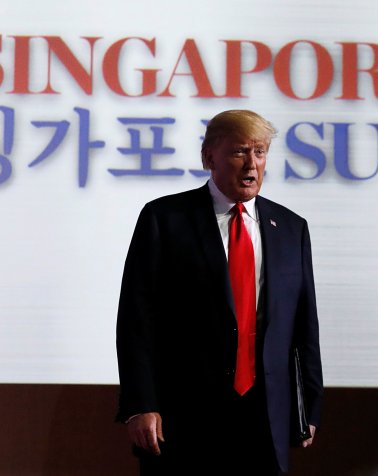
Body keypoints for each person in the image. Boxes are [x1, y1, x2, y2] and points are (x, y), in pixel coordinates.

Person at [115, 109, 323, 475]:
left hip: (266, 413)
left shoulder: (291, 228)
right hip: (184, 414)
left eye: (260, 153)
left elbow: (304, 326)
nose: (252, 164)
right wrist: (140, 403)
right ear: (209, 157)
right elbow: (136, 320)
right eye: (240, 151)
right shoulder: (165, 219)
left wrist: (308, 405)